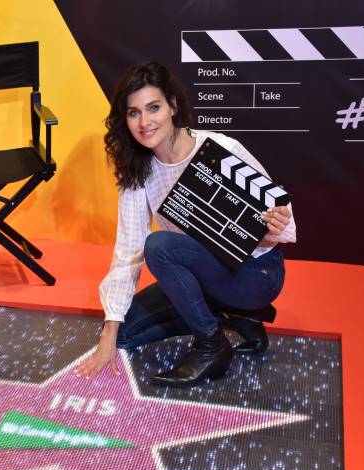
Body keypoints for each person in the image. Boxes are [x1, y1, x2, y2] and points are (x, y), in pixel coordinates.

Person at [74, 61, 296, 387]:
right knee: (126, 332)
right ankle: (235, 319)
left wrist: (273, 227)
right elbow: (129, 248)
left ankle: (211, 344)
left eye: (153, 108)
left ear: (173, 106)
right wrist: (109, 332)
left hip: (255, 274)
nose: (145, 122)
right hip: (201, 275)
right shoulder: (138, 170)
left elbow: (286, 229)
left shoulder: (220, 148)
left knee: (160, 246)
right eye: (134, 112)